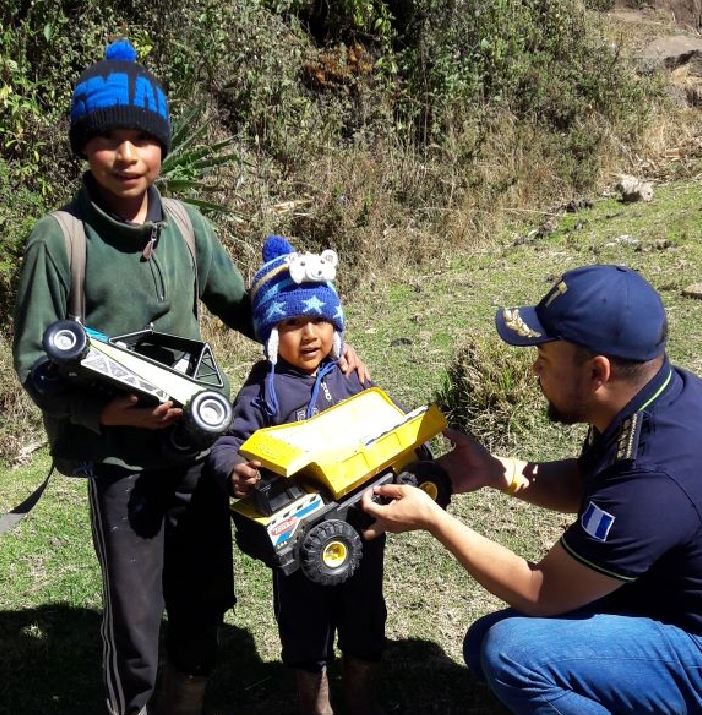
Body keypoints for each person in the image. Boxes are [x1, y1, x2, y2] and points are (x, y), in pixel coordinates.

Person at [12, 39, 366, 715]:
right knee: (134, 618)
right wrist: (110, 415)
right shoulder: (59, 240)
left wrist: (325, 340)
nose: (126, 155)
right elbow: (34, 361)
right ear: (84, 147)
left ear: (161, 146)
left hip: (198, 448)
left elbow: (247, 308)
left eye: (141, 139)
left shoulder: (184, 225)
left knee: (204, 595)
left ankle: (189, 696)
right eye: (108, 139)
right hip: (121, 459)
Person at [361, 264, 702, 715]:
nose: (534, 368)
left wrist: (433, 519)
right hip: (666, 595)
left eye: (544, 358)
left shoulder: (653, 480)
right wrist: (497, 471)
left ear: (597, 372)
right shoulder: (659, 395)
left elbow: (539, 591)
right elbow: (589, 481)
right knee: (482, 644)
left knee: (512, 654)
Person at [209, 235, 386, 715]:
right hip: (297, 537)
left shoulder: (349, 375)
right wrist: (236, 471)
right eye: (291, 323)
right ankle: (315, 700)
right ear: (269, 331)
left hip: (363, 526)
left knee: (365, 617)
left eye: (319, 320)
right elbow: (227, 442)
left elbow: (385, 426)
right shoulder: (260, 390)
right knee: (305, 628)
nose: (309, 334)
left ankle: (361, 695)